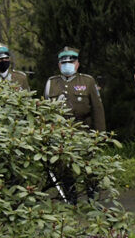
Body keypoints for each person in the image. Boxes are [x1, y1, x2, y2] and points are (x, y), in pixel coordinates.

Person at [43, 47, 105, 204]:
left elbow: (97, 110)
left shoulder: (87, 81)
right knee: (65, 170)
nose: (67, 65)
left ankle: (93, 200)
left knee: (89, 169)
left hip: (84, 132)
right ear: (59, 65)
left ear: (77, 64)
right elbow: (45, 111)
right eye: (63, 63)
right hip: (60, 135)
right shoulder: (51, 83)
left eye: (71, 62)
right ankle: (71, 200)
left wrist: (99, 136)